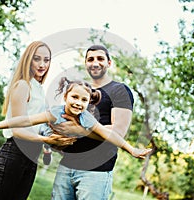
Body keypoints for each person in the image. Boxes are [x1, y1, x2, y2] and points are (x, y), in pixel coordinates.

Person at [0, 41, 75, 200]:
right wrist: (45, 139)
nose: (42, 64)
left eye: (46, 60)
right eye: (36, 59)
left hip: (31, 156)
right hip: (15, 152)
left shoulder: (39, 88)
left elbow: (40, 124)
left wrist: (55, 141)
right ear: (28, 60)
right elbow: (18, 129)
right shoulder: (23, 85)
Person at [50, 44, 144, 200]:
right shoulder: (81, 91)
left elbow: (118, 132)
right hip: (66, 166)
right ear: (86, 63)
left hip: (96, 172)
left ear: (109, 63)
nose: (95, 63)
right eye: (90, 59)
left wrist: (79, 130)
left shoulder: (119, 90)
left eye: (100, 58)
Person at [0, 77, 151, 159]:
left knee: (59, 138)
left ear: (89, 103)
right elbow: (25, 120)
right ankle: (48, 147)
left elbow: (108, 134)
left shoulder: (86, 118)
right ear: (65, 97)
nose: (78, 103)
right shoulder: (55, 112)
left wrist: (131, 149)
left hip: (64, 139)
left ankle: (49, 148)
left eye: (84, 100)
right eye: (75, 97)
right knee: (45, 129)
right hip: (48, 129)